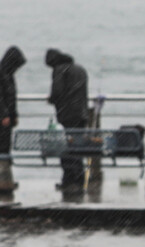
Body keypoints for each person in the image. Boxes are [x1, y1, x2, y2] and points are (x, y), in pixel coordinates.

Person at [45, 48, 90, 194]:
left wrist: (51, 99)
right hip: (82, 114)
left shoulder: (59, 70)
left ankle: (69, 181)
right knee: (77, 147)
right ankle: (79, 180)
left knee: (67, 148)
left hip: (67, 115)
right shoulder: (80, 69)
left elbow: (57, 92)